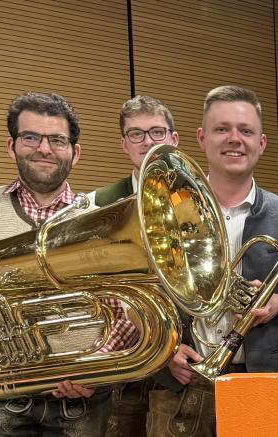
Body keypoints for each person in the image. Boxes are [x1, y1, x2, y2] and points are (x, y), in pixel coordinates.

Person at [0, 91, 136, 436]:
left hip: (81, 404)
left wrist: (97, 364)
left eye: (57, 140)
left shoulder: (105, 221)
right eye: (31, 137)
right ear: (11, 145)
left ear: (75, 153)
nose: (44, 149)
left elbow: (131, 306)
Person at [145, 85, 278, 436]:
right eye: (222, 129)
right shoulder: (163, 213)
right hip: (181, 385)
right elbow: (139, 296)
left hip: (266, 383)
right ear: (202, 138)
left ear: (261, 143)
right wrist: (164, 352)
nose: (234, 139)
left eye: (245, 131)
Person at [96, 95, 181, 437]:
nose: (147, 141)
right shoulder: (97, 204)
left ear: (174, 139)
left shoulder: (199, 197)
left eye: (157, 132)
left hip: (182, 363)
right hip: (124, 362)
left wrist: (170, 346)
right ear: (123, 144)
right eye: (136, 134)